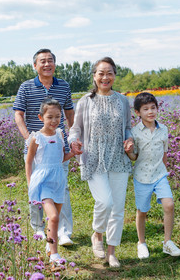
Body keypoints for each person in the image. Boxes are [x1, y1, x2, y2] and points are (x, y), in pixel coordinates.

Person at [68, 57, 133, 268]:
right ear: (94, 76)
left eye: (110, 73)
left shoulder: (123, 101)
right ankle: (97, 234)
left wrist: (130, 139)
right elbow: (76, 128)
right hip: (93, 157)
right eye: (101, 73)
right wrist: (72, 141)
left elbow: (127, 128)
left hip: (118, 158)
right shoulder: (86, 101)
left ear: (114, 75)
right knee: (105, 201)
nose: (105, 77)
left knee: (118, 208)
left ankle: (112, 251)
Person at [13, 48, 75, 246]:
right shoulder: (26, 87)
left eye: (50, 60)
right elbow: (18, 115)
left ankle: (64, 231)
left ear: (54, 64)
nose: (47, 64)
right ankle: (38, 227)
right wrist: (27, 137)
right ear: (35, 65)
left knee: (61, 187)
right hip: (35, 146)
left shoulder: (63, 86)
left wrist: (72, 137)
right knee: (35, 188)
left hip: (58, 146)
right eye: (42, 61)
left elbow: (70, 114)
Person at [124, 92, 180, 259]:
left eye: (153, 108)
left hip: (160, 175)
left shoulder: (163, 129)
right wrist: (129, 152)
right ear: (137, 112)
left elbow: (165, 152)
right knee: (142, 211)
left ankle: (168, 242)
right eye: (145, 109)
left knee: (169, 205)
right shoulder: (135, 132)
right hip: (142, 177)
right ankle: (141, 243)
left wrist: (164, 170)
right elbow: (135, 157)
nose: (150, 112)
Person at [26, 98, 75, 267]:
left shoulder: (61, 134)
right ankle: (54, 254)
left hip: (58, 180)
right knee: (53, 217)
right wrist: (30, 182)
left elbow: (61, 158)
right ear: (41, 117)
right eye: (50, 117)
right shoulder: (36, 137)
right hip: (43, 181)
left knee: (56, 218)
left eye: (57, 117)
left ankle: (49, 244)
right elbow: (29, 160)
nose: (54, 121)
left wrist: (73, 153)